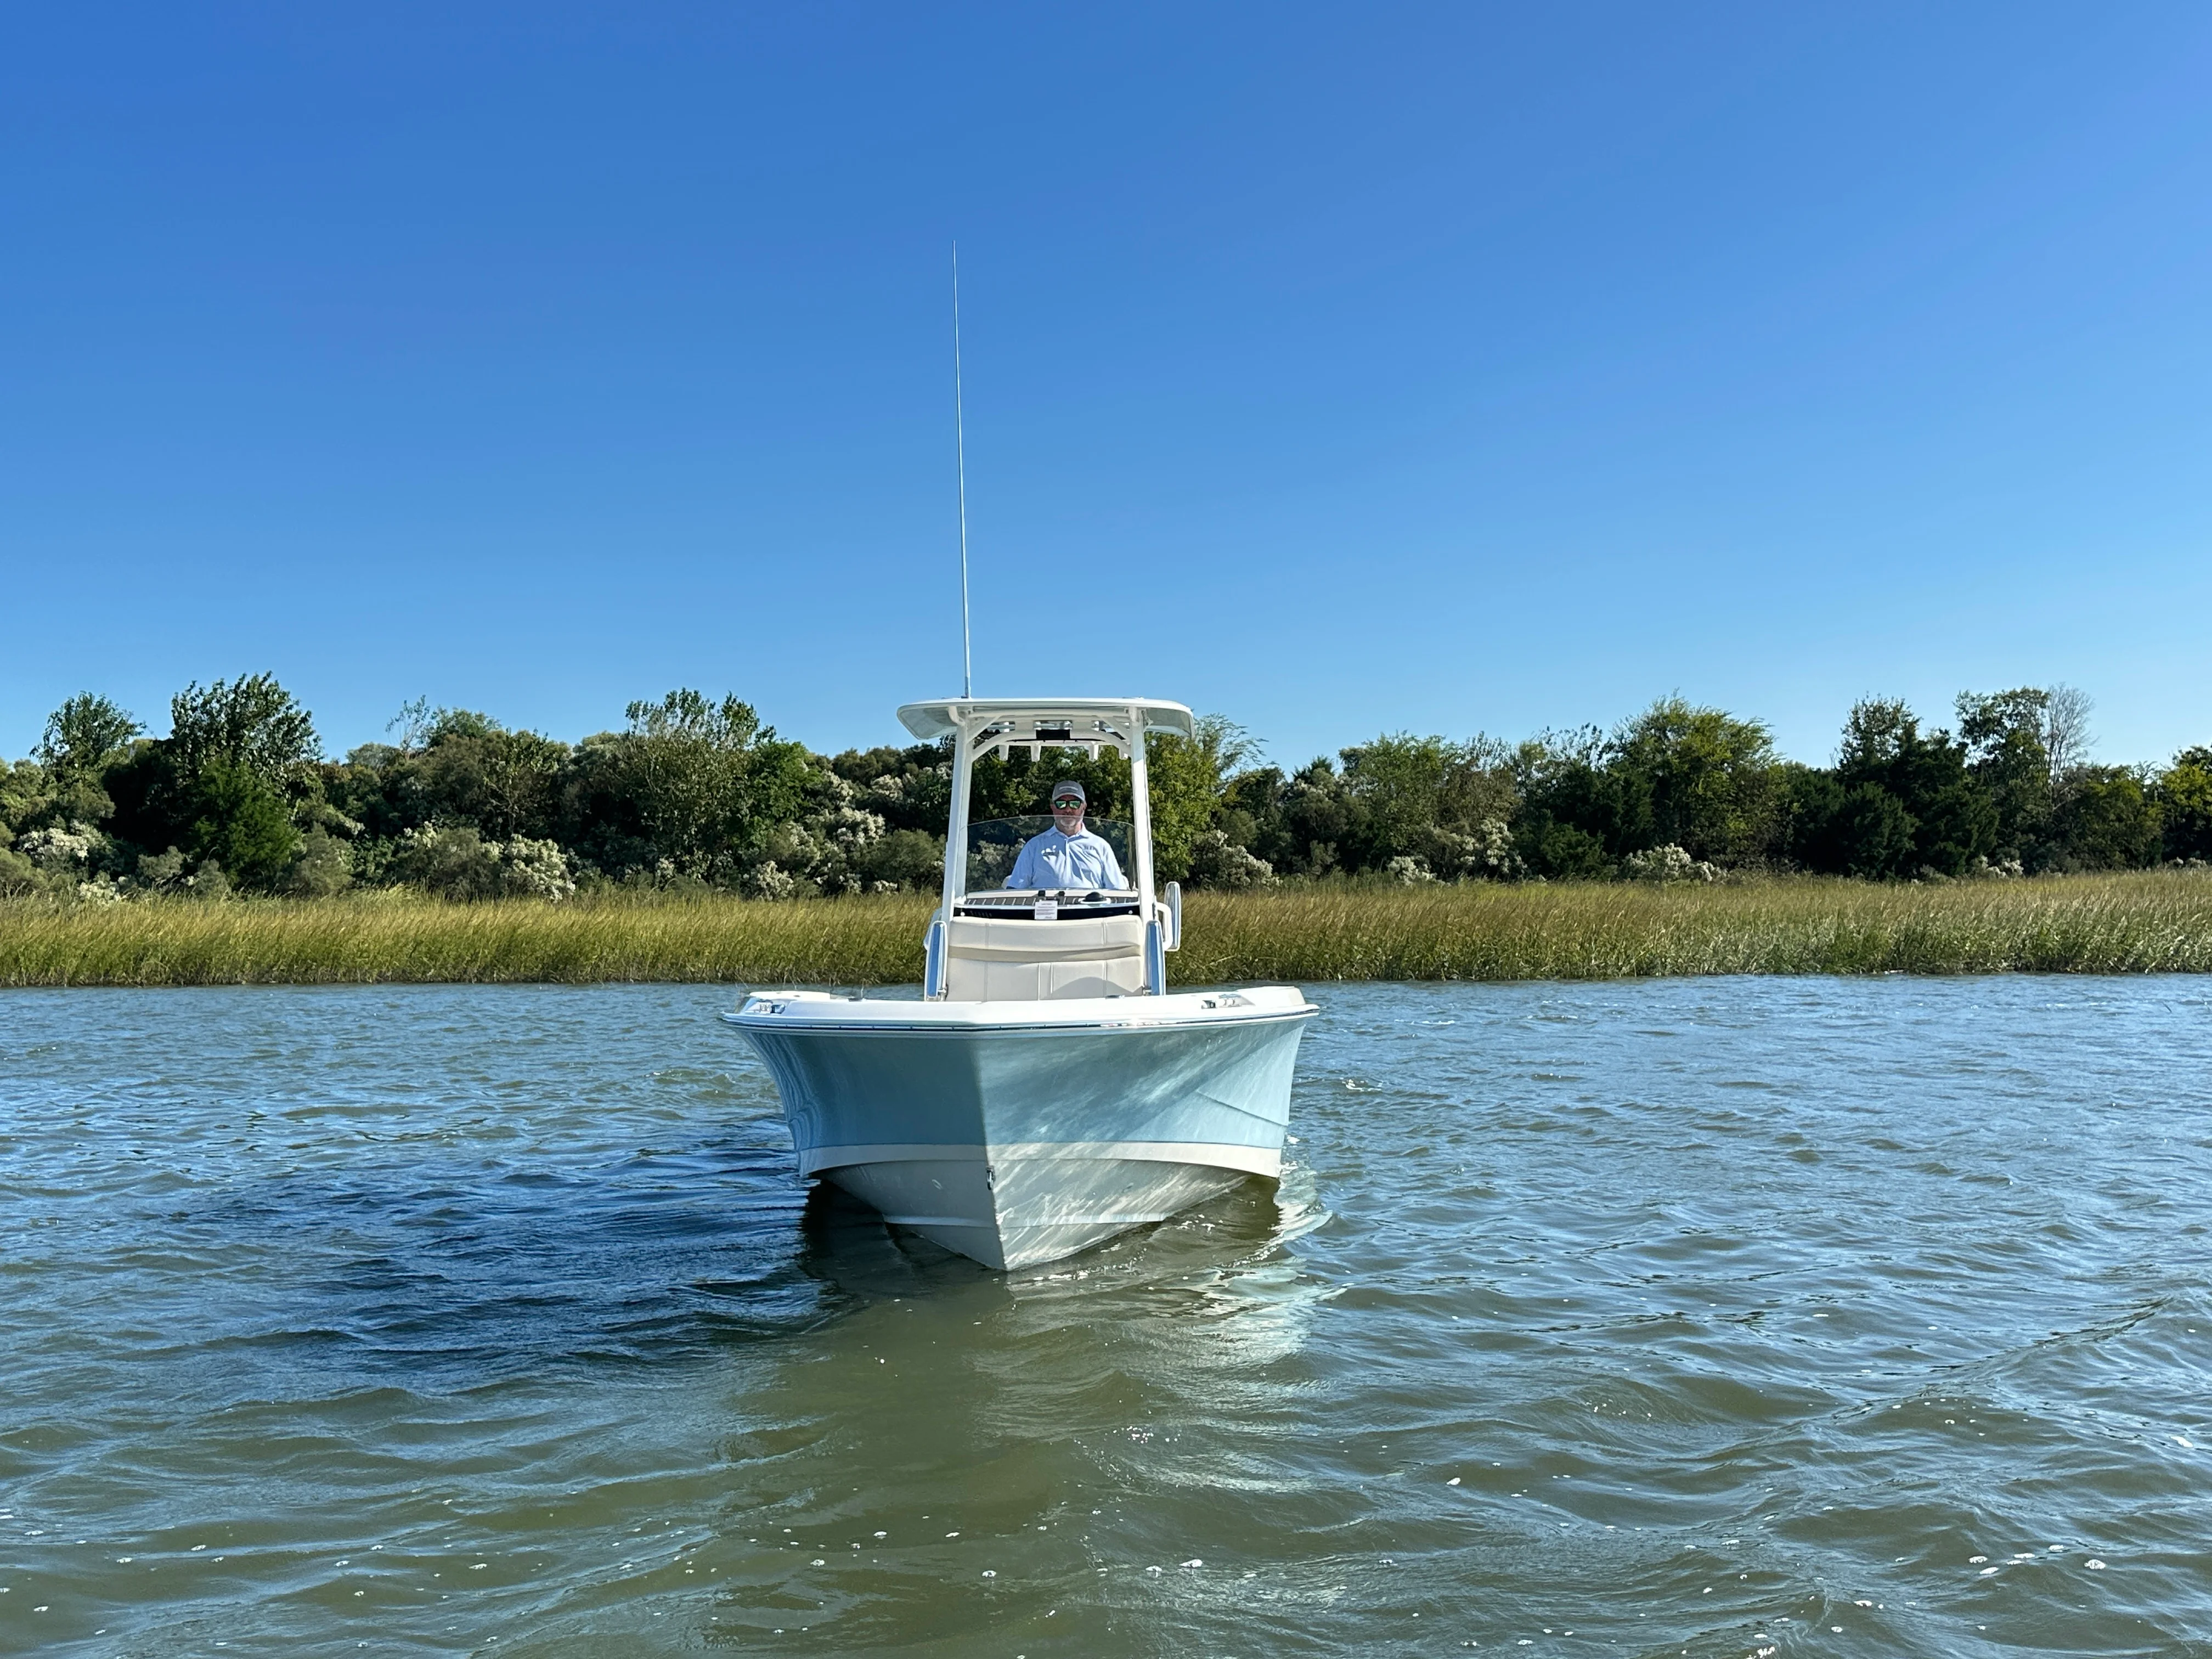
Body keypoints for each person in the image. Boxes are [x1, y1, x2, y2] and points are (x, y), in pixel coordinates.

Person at [1007, 781, 1127, 891]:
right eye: (1061, 804)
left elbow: (1118, 891)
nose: (1068, 810)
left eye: (1075, 804)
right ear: (1053, 807)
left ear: (1084, 807)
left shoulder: (1101, 846)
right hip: (1046, 908)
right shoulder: (1034, 846)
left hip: (1090, 908)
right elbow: (1014, 890)